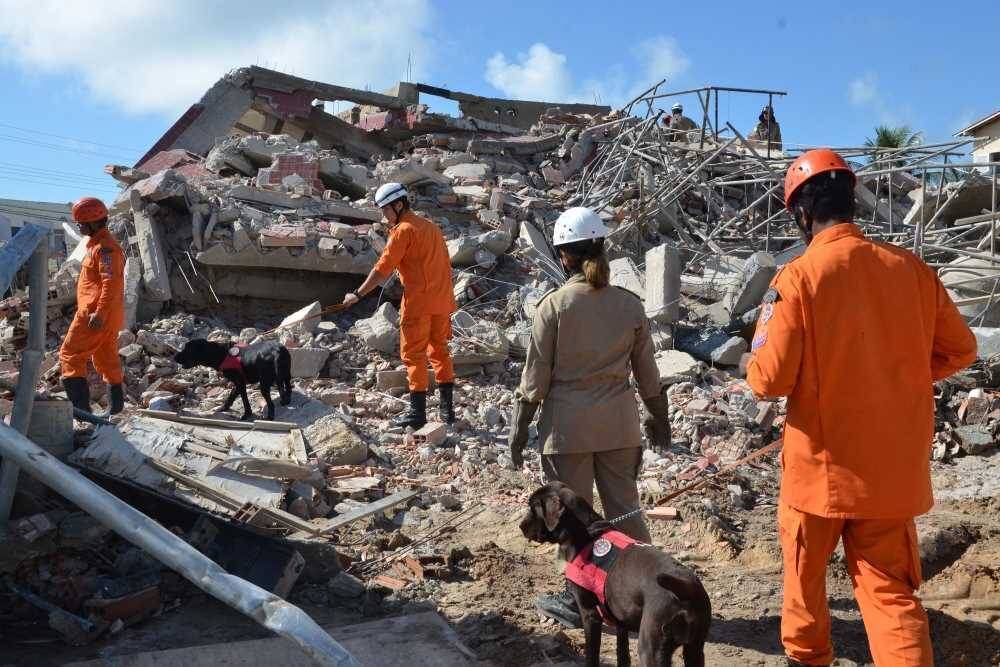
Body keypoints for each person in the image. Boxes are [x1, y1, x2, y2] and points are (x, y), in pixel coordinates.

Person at [747, 149, 977, 666]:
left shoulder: (797, 278)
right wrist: (897, 378)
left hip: (818, 474)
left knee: (804, 589)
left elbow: (769, 378)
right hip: (891, 476)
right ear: (852, 201)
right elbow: (961, 349)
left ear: (802, 213)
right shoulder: (912, 271)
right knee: (890, 595)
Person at [509, 206, 671, 628]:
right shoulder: (629, 305)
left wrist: (519, 427)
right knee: (625, 513)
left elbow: (535, 379)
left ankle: (578, 601)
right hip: (620, 426)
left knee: (571, 522)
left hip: (567, 433)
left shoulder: (554, 306)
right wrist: (659, 418)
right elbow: (649, 376)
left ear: (564, 256)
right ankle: (644, 597)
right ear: (602, 247)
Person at [343, 182, 456, 428]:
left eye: (386, 210)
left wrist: (357, 294)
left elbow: (382, 269)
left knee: (413, 355)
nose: (384, 216)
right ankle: (448, 412)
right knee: (439, 350)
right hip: (442, 300)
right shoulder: (430, 227)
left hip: (418, 302)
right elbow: (446, 266)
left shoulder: (403, 231)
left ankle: (417, 414)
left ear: (399, 204)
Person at [59, 197, 126, 415]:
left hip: (94, 315)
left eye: (81, 222)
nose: (78, 226)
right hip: (105, 314)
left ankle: (81, 413)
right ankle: (115, 412)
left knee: (70, 355)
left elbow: (111, 283)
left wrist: (99, 313)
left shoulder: (105, 248)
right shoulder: (97, 245)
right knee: (106, 358)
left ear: (93, 222)